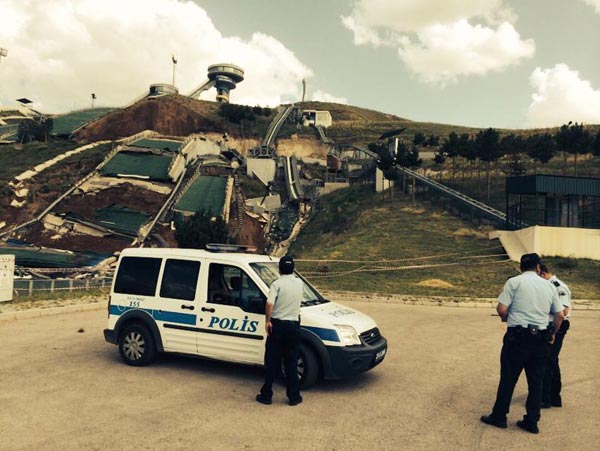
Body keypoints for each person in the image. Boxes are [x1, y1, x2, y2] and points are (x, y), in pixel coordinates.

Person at [481, 253, 564, 434]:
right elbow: (559, 315)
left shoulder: (514, 282)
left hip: (517, 338)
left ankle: (499, 416)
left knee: (508, 379)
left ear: (521, 267)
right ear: (538, 268)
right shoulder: (549, 286)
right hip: (540, 339)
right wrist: (552, 334)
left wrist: (506, 318)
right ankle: (532, 421)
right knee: (536, 382)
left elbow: (502, 308)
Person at [256, 256, 304, 406]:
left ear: (280, 269)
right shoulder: (300, 283)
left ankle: (267, 395)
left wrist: (268, 321)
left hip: (278, 325)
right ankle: (294, 397)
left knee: (272, 360)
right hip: (294, 325)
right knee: (291, 361)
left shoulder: (276, 284)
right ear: (293, 268)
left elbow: (270, 304)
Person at [539, 263, 571, 408]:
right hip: (551, 325)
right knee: (551, 360)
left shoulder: (558, 286)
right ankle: (553, 396)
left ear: (543, 274)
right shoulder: (549, 285)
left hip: (557, 325)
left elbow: (563, 312)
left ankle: (546, 398)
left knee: (548, 360)